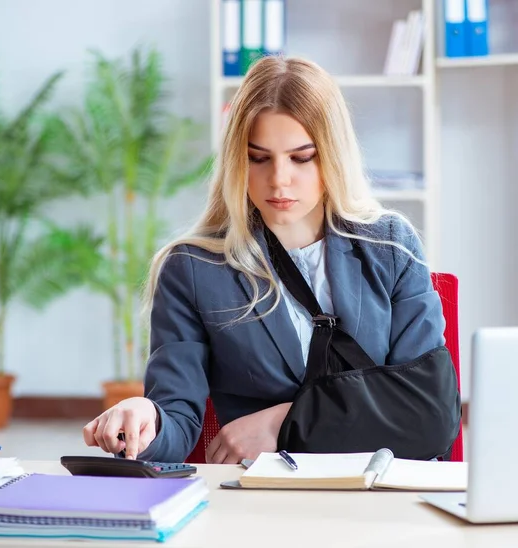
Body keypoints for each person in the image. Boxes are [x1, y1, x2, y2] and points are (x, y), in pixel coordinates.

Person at [83, 55, 454, 464]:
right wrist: (145, 417)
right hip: (264, 496)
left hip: (380, 492)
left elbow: (430, 415)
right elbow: (178, 420)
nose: (279, 179)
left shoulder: (390, 245)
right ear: (236, 160)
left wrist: (286, 423)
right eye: (258, 158)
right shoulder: (192, 269)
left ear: (332, 155)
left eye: (301, 157)